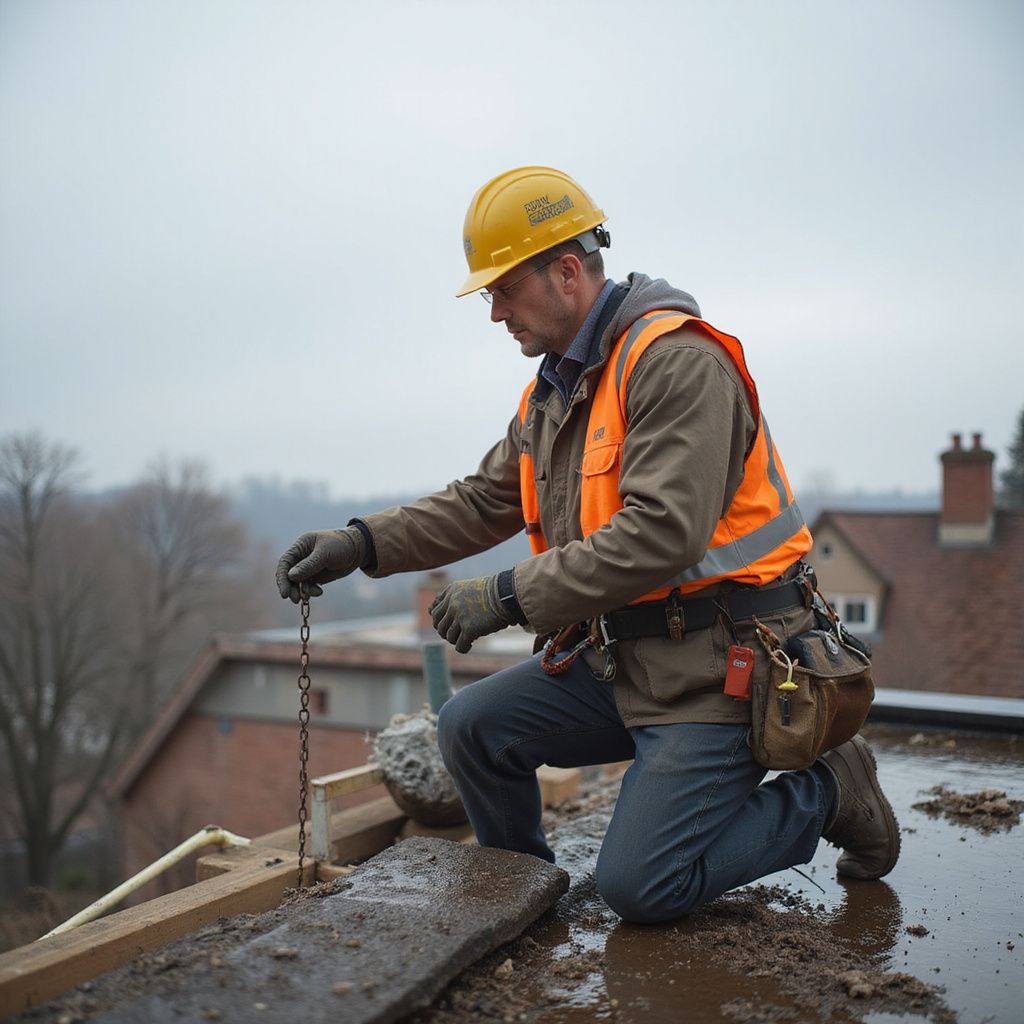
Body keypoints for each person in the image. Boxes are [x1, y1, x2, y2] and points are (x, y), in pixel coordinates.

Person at [276, 166, 900, 922]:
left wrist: (505, 595)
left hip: (722, 669)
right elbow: (483, 501)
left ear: (567, 272)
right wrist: (358, 543)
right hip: (624, 658)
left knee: (642, 886)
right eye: (488, 295)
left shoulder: (677, 363)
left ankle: (833, 789)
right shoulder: (555, 391)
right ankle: (522, 891)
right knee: (471, 727)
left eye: (503, 289)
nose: (495, 311)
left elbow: (663, 533)